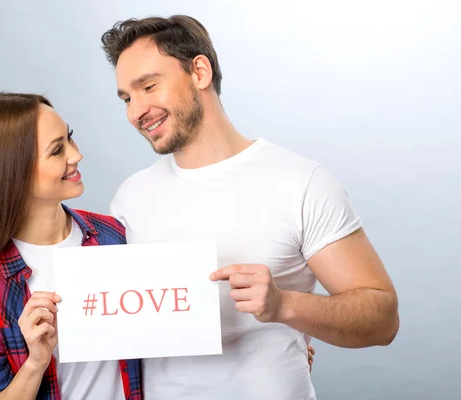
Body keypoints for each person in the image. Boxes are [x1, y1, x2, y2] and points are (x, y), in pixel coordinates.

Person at [100, 15, 399, 399]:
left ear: (200, 71)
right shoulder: (129, 198)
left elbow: (383, 319)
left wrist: (285, 305)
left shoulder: (300, 182)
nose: (135, 111)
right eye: (127, 97)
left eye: (148, 86)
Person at [0, 93, 142, 400]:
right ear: (14, 170)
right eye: (57, 150)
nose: (76, 155)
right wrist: (35, 363)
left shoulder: (113, 235)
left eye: (70, 138)